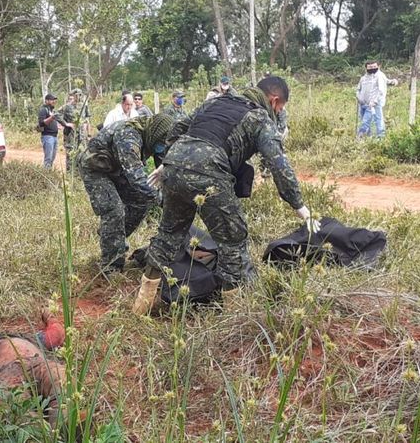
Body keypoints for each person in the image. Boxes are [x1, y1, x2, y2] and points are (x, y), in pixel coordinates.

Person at [133, 76, 320, 314]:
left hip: (174, 166)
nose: (279, 112)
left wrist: (169, 161)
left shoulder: (216, 102)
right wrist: (299, 206)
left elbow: (179, 127)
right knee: (232, 238)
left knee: (169, 234)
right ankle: (234, 313)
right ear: (274, 101)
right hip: (209, 169)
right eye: (280, 108)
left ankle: (141, 306)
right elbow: (278, 165)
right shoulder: (260, 117)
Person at [77, 114, 174, 274]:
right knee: (114, 210)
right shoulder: (128, 135)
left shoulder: (154, 137)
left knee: (142, 201)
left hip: (118, 170)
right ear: (157, 134)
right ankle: (111, 267)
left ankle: (113, 238)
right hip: (96, 170)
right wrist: (161, 199)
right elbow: (137, 179)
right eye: (162, 142)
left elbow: (165, 172)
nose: (162, 146)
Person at [37, 93, 74, 169]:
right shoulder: (43, 110)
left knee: (52, 158)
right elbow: (41, 123)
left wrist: (60, 126)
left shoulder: (51, 110)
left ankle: (49, 172)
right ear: (46, 101)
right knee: (48, 158)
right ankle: (46, 174)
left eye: (54, 100)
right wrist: (52, 117)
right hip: (47, 137)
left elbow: (56, 120)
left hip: (54, 137)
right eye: (52, 100)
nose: (54, 101)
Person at [60, 89, 91, 171]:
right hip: (71, 135)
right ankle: (70, 175)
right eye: (76, 95)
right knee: (71, 156)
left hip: (82, 136)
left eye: (80, 95)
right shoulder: (67, 106)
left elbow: (87, 120)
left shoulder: (84, 106)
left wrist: (88, 134)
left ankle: (79, 175)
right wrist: (66, 124)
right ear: (73, 96)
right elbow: (56, 114)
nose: (79, 97)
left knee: (82, 155)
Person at [356, 61, 387, 138]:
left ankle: (361, 137)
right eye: (370, 67)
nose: (372, 69)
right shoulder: (363, 78)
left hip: (372, 104)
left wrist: (374, 101)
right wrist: (359, 98)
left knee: (367, 122)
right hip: (362, 104)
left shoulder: (378, 76)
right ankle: (369, 138)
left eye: (374, 67)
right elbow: (358, 89)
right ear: (366, 68)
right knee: (367, 121)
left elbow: (381, 90)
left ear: (378, 67)